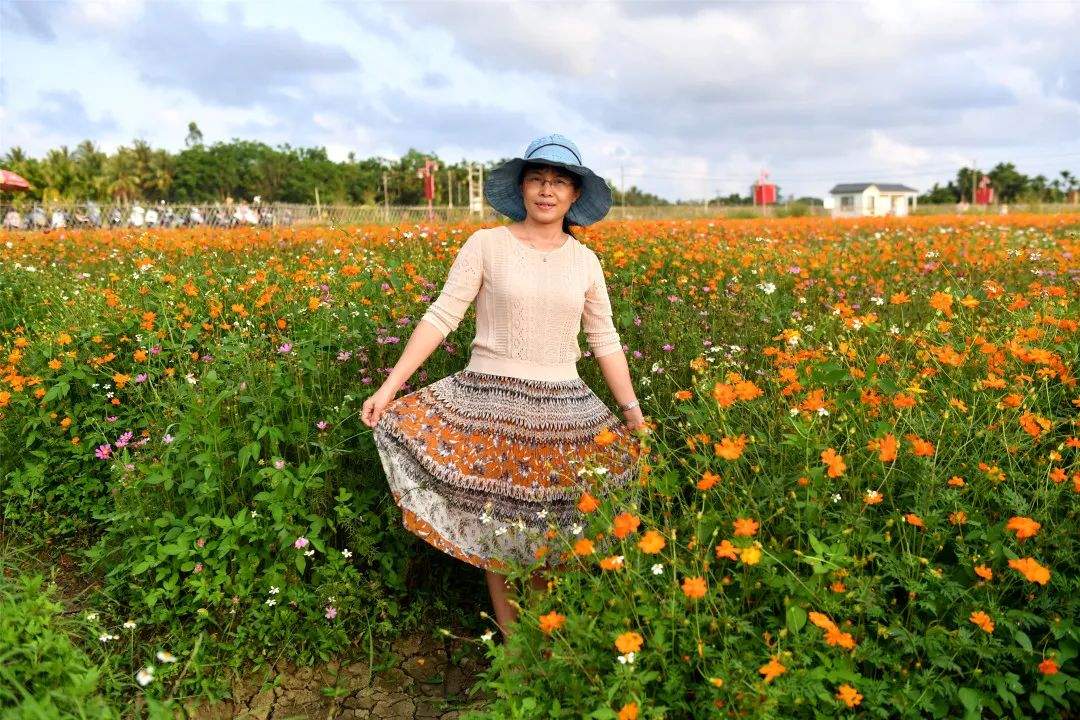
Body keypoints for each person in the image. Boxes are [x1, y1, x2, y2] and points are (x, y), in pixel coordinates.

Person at [361, 133, 645, 639]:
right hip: (491, 402)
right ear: (522, 186)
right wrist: (390, 386)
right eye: (538, 178)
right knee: (501, 528)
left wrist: (631, 412)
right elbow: (442, 315)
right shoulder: (486, 244)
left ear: (574, 196)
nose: (547, 190)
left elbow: (605, 340)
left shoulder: (585, 262)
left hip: (564, 407)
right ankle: (515, 648)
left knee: (554, 528)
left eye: (559, 182)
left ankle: (546, 640)